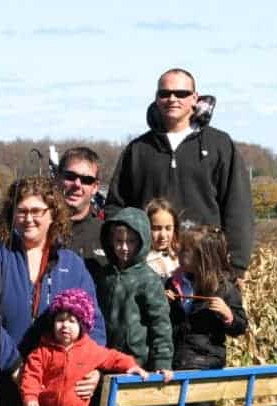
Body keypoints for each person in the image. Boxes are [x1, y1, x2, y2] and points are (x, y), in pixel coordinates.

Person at [0, 176, 106, 406]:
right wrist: (14, 364)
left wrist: (91, 370)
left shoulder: (72, 264)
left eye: (38, 210)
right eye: (21, 211)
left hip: (56, 394)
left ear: (53, 214)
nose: (29, 218)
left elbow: (96, 328)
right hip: (3, 384)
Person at [104, 68, 254, 279]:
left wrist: (237, 266)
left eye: (181, 93)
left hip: (206, 267)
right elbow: (116, 208)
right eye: (165, 93)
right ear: (156, 99)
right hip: (149, 271)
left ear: (195, 98)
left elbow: (238, 207)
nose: (172, 99)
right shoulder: (138, 149)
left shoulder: (220, 145)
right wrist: (124, 256)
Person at [97, 207, 174, 373]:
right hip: (104, 357)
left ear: (142, 242)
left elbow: (160, 322)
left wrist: (162, 362)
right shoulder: (105, 275)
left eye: (131, 242)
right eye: (119, 241)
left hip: (137, 361)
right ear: (110, 241)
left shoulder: (148, 279)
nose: (124, 247)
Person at [166, 225, 248, 370]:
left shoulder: (225, 288)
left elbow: (240, 327)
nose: (179, 252)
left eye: (185, 250)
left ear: (203, 257)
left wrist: (228, 315)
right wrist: (162, 302)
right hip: (175, 358)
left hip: (206, 360)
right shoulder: (173, 283)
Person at [55, 147, 107, 279]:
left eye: (86, 180)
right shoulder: (38, 229)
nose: (77, 184)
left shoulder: (107, 235)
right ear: (57, 178)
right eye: (70, 176)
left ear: (95, 187)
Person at [145, 198, 180, 279]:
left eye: (168, 228)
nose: (163, 235)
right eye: (156, 228)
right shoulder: (144, 263)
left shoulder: (180, 257)